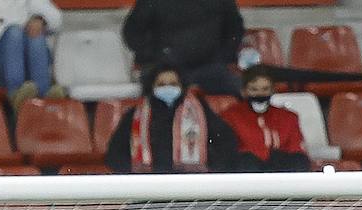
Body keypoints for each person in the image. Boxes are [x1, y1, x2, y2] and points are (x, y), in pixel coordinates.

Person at [105, 63, 238, 175]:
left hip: (193, 187)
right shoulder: (135, 115)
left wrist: (210, 169)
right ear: (151, 87)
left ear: (182, 86)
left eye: (173, 84)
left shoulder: (201, 112)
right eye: (161, 84)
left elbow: (227, 143)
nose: (167, 87)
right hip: (148, 188)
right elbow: (115, 155)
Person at [122, 0, 244, 96]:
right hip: (163, 70)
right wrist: (155, 57)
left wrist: (222, 57)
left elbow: (235, 29)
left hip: (210, 68)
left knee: (244, 91)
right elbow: (132, 32)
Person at [0, 0, 63, 109]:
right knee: (14, 33)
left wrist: (40, 19)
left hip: (25, 54)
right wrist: (25, 20)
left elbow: (56, 17)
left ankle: (44, 96)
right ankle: (15, 95)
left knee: (36, 37)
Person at [220, 65, 310, 173]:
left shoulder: (288, 118)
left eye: (265, 89)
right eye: (254, 89)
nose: (260, 94)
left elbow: (297, 150)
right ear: (243, 91)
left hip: (281, 173)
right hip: (248, 172)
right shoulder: (230, 117)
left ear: (273, 90)